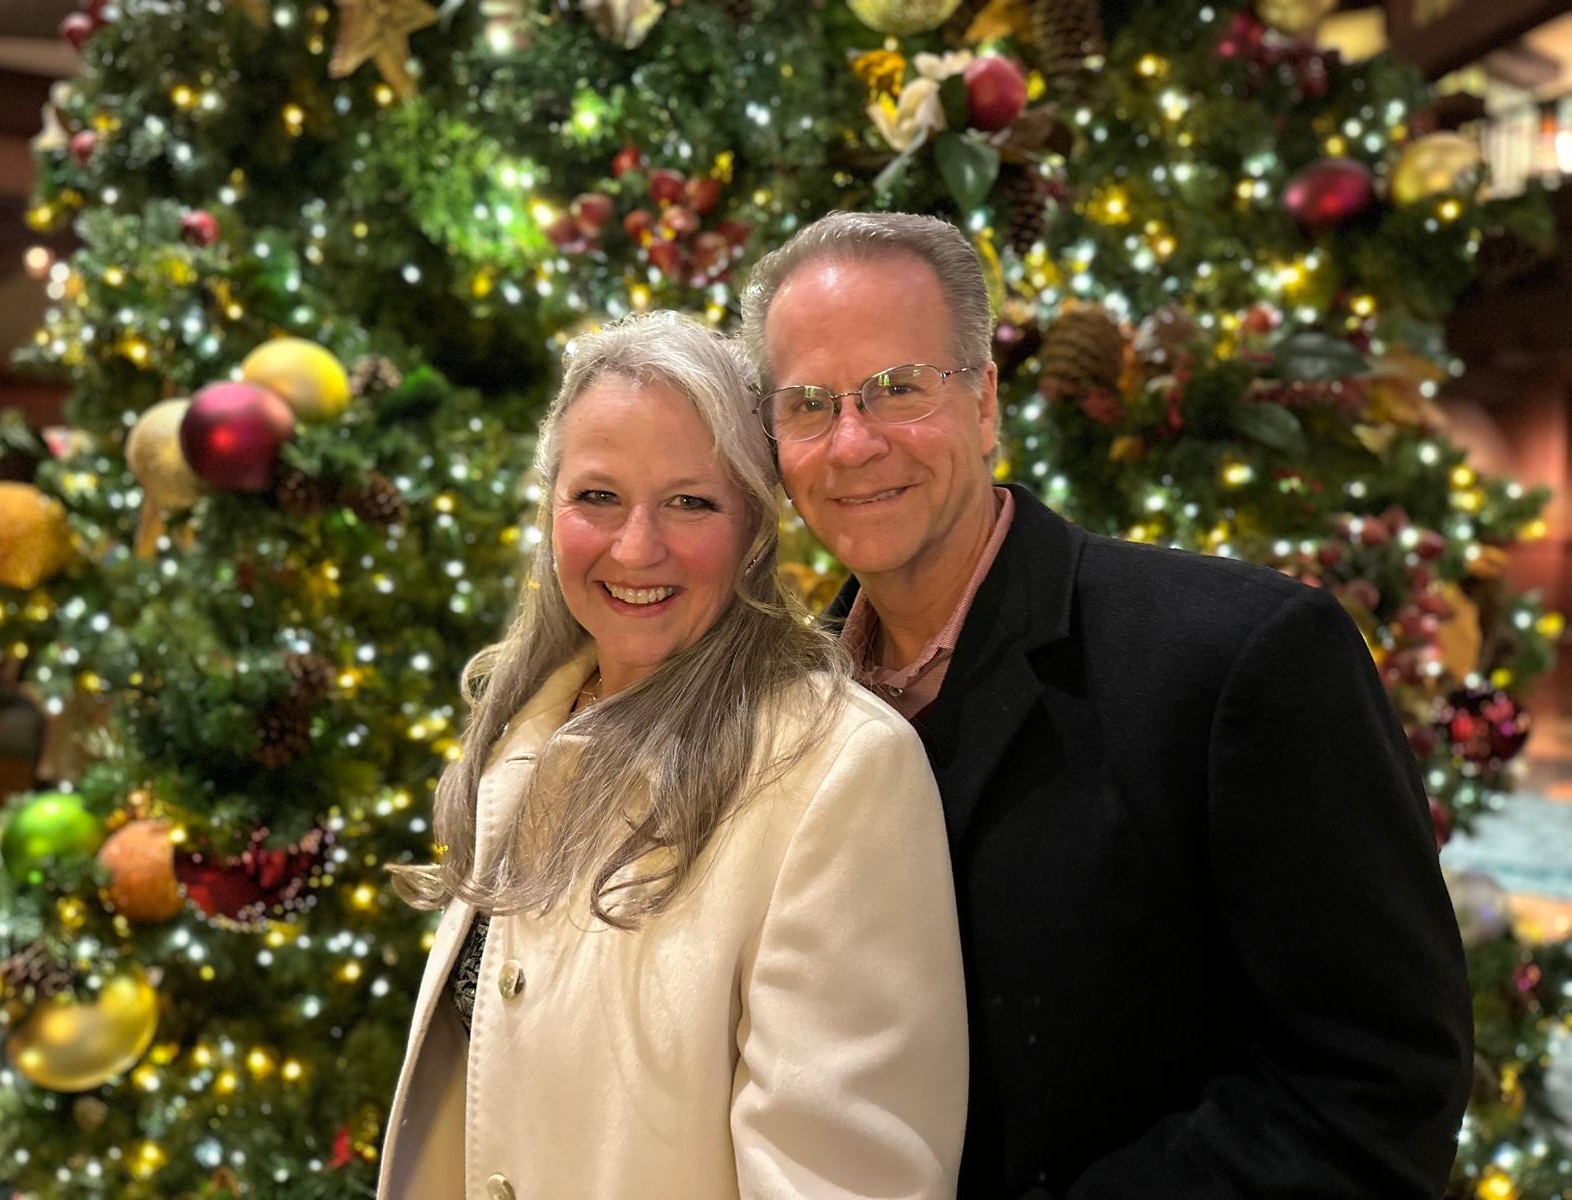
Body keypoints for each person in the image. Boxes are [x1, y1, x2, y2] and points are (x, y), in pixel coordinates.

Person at [740, 211, 1473, 1200]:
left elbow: (1375, 1091)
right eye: (809, 404)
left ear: (986, 402)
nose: (853, 442)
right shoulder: (778, 719)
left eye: (898, 389)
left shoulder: (1238, 660)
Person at [377, 311, 967, 1200]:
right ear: (551, 510)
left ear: (754, 528)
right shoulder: (528, 732)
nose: (636, 547)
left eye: (690, 502)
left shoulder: (837, 769)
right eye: (597, 497)